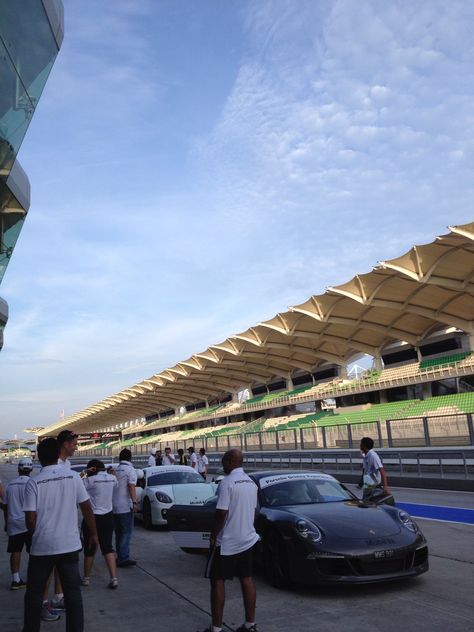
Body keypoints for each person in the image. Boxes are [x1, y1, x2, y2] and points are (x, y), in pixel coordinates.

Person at [22, 437, 98, 632]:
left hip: (43, 547)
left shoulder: (34, 482)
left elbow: (30, 519)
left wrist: (35, 534)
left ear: (39, 457)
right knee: (73, 596)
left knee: (34, 595)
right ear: (58, 455)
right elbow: (87, 508)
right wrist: (94, 534)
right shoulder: (73, 477)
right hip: (69, 545)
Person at [198, 449, 259, 632]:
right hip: (247, 539)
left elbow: (221, 513)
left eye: (224, 460)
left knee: (217, 580)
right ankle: (250, 624)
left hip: (227, 543)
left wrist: (213, 535)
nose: (222, 464)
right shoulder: (251, 483)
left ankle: (216, 628)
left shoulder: (227, 483)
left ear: (232, 461)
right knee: (247, 578)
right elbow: (252, 511)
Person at [80, 459, 119, 589]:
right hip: (108, 516)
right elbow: (116, 484)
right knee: (108, 547)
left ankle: (86, 579)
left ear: (92, 469)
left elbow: (76, 483)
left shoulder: (89, 480)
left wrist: (85, 472)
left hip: (93, 517)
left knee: (90, 549)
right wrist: (112, 474)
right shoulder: (112, 479)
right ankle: (114, 578)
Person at [2, 457, 33, 590]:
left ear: (18, 469)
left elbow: (6, 507)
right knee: (34, 552)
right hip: (29, 522)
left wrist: (6, 522)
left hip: (13, 522)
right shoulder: (33, 483)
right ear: (31, 469)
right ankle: (34, 578)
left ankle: (15, 579)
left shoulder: (10, 485)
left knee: (15, 550)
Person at [112, 448, 138, 567]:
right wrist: (134, 502)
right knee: (126, 533)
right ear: (130, 457)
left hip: (114, 506)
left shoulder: (116, 470)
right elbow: (131, 486)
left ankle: (119, 556)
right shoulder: (130, 470)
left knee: (118, 533)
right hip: (125, 506)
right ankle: (123, 558)